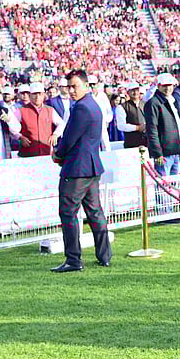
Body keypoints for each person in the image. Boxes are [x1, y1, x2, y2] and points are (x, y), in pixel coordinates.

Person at [51, 69, 111, 273]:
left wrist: (58, 154)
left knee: (68, 213)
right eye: (68, 87)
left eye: (74, 86)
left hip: (77, 169)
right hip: (91, 167)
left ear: (86, 85)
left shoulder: (82, 107)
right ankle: (104, 256)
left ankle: (74, 260)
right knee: (95, 212)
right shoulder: (92, 105)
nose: (71, 91)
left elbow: (69, 138)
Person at [144, 73, 180, 177]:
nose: (167, 88)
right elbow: (152, 129)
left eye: (170, 85)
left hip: (175, 149)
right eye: (164, 85)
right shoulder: (153, 103)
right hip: (164, 152)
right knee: (164, 185)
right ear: (158, 86)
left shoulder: (172, 100)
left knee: (174, 183)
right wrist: (157, 153)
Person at [16, 82, 56, 158]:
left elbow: (61, 124)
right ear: (30, 95)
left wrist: (55, 134)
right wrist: (20, 137)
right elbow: (12, 126)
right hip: (27, 153)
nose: (37, 97)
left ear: (44, 95)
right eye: (34, 94)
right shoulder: (21, 110)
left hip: (46, 152)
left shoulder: (50, 110)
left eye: (40, 94)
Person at [114, 82, 146, 150]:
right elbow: (121, 126)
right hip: (131, 143)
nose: (135, 92)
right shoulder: (122, 107)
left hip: (146, 142)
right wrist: (137, 128)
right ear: (128, 92)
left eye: (137, 90)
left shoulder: (145, 104)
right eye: (133, 90)